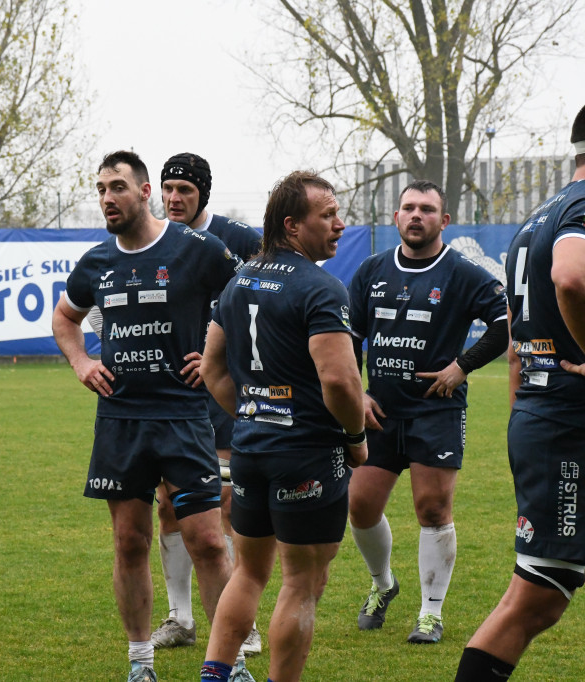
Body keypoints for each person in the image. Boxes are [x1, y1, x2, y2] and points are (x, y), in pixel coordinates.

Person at [455, 97, 585, 681]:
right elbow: (571, 277)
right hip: (572, 429)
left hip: (567, 426)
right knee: (537, 599)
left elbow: (517, 341)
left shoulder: (538, 218)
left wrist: (526, 414)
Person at [52, 150, 243, 682]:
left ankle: (230, 663)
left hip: (184, 417)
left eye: (117, 187)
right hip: (120, 421)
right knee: (129, 542)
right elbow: (65, 318)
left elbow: (247, 302)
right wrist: (82, 362)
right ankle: (140, 663)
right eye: (100, 189)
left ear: (144, 192)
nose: (107, 198)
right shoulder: (96, 262)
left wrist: (217, 356)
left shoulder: (198, 250)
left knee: (209, 541)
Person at [199, 170, 367, 682]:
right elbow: (340, 381)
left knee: (249, 572)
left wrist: (255, 415)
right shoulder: (321, 287)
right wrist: (356, 438)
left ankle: (214, 674)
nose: (339, 224)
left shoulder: (239, 281)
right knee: (301, 582)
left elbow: (211, 369)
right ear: (292, 225)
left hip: (250, 448)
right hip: (307, 454)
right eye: (327, 215)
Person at [345, 179, 509, 644]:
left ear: (444, 220)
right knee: (359, 506)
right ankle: (383, 585)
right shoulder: (371, 270)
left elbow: (505, 323)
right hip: (378, 411)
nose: (417, 215)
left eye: (427, 209)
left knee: (433, 509)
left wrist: (462, 366)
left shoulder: (463, 273)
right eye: (409, 208)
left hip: (436, 410)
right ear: (396, 216)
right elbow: (348, 337)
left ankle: (430, 613)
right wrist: (357, 393)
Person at [150, 153, 263, 656]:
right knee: (168, 506)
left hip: (222, 394)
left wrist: (222, 357)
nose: (174, 198)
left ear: (204, 195)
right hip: (167, 398)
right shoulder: (153, 241)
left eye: (185, 190)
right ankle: (180, 618)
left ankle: (243, 622)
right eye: (168, 188)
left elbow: (266, 304)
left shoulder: (238, 241)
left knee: (226, 505)